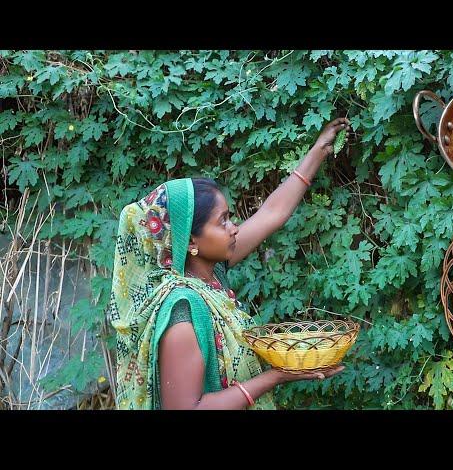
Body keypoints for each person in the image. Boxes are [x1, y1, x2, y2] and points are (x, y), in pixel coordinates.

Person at [108, 118, 351, 409]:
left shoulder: (210, 275)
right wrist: (274, 377)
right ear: (191, 242)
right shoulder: (182, 310)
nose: (234, 227)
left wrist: (319, 150)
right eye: (222, 221)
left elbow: (271, 213)